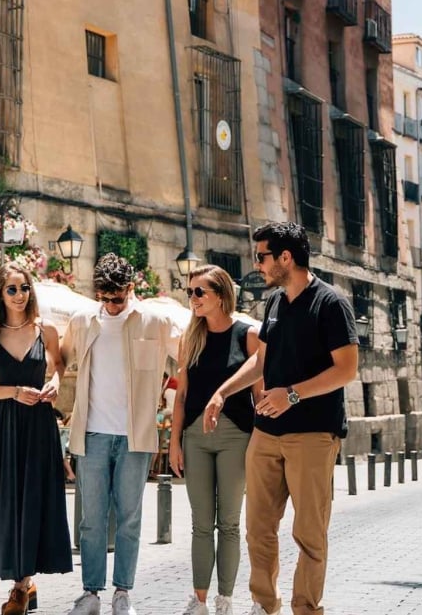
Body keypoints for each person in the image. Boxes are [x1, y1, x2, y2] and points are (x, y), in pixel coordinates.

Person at [204, 221, 359, 615]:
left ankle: (306, 609)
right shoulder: (273, 304)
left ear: (286, 258)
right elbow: (261, 361)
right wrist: (223, 392)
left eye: (262, 256)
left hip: (312, 434)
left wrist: (291, 395)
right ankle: (263, 605)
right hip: (266, 432)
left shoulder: (331, 303)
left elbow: (346, 369)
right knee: (258, 528)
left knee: (309, 533)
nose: (257, 264)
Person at [60, 253, 180, 615]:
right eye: (104, 298)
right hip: (92, 434)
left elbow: (190, 356)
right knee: (91, 519)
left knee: (129, 518)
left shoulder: (156, 322)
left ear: (131, 289)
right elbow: (60, 360)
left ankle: (123, 592)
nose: (111, 306)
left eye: (118, 298)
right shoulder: (82, 321)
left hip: (135, 436)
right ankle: (91, 592)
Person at [0, 263, 73, 615]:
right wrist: (13, 392)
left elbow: (58, 365)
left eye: (24, 287)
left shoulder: (47, 330)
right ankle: (23, 584)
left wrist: (55, 383)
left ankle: (19, 588)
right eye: (11, 289)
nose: (19, 295)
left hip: (41, 426)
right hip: (8, 427)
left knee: (36, 500)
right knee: (11, 501)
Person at [169, 265, 259, 615]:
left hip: (236, 436)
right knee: (201, 524)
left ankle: (225, 599)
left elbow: (259, 397)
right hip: (195, 437)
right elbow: (181, 396)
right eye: (189, 292)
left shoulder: (248, 336)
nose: (192, 299)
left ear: (221, 295)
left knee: (231, 523)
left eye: (199, 292)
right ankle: (199, 600)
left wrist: (259, 443)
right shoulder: (190, 338)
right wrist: (175, 442)